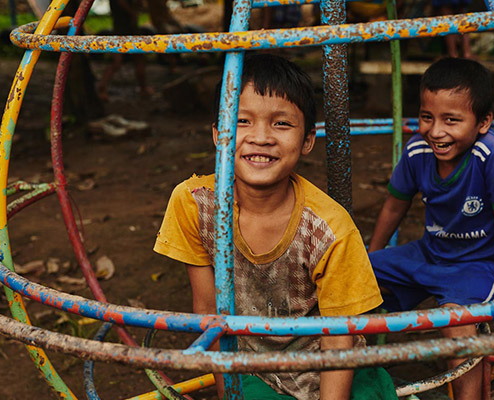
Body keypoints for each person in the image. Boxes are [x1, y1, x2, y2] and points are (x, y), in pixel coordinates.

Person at [154, 54, 395, 399]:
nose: (261, 137)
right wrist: (230, 394)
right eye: (242, 121)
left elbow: (340, 337)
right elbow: (208, 312)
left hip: (328, 368)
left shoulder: (329, 228)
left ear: (308, 140)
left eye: (281, 124)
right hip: (254, 367)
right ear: (218, 133)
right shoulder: (194, 204)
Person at [368, 57, 494, 399]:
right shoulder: (417, 149)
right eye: (427, 117)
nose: (436, 131)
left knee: (456, 323)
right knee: (349, 277)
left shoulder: (493, 155)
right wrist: (371, 256)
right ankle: (356, 379)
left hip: (480, 266)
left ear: (483, 122)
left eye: (451, 120)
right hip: (430, 254)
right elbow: (394, 205)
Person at [97, 0, 153, 101]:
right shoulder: (125, 7)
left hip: (120, 28)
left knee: (121, 61)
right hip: (127, 28)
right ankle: (143, 88)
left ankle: (103, 86)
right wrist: (132, 13)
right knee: (137, 59)